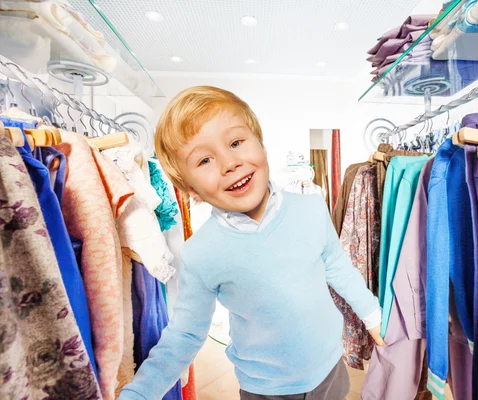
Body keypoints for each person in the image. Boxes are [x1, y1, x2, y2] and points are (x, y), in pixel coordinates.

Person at [119, 86, 384, 400]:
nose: (229, 163)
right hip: (265, 389)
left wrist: (373, 316)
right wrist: (140, 392)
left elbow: (339, 268)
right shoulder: (201, 253)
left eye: (235, 142)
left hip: (330, 370)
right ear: (192, 190)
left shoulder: (310, 209)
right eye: (204, 160)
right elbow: (185, 333)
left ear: (260, 143)